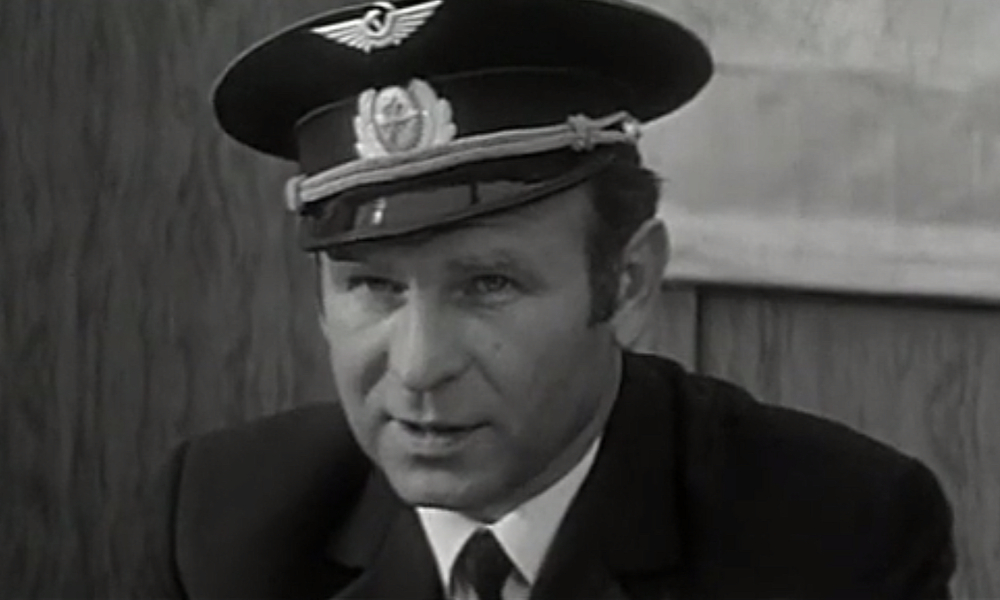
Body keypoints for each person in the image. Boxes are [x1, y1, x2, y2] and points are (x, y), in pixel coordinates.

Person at [124, 0, 956, 598]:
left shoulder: (839, 539)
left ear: (626, 284)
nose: (419, 367)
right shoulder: (219, 527)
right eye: (372, 285)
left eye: (489, 285)